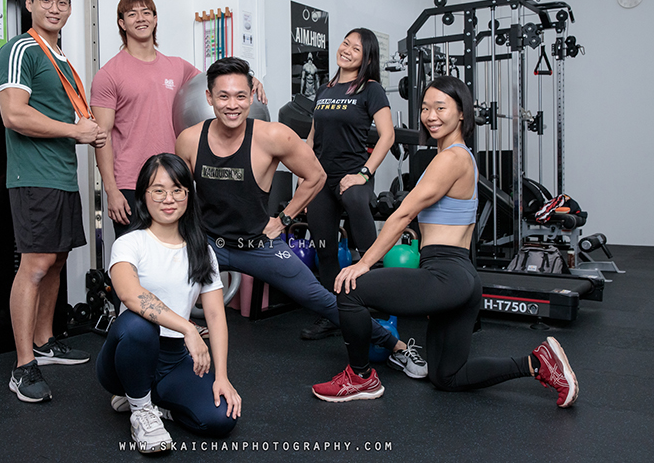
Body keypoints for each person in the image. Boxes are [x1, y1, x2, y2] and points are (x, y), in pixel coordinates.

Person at [312, 76, 578, 408]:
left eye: (441, 107)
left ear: (462, 113)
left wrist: (364, 263)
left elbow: (401, 215)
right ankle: (538, 363)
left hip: (445, 276)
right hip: (461, 278)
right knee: (447, 376)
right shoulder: (457, 156)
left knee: (349, 288)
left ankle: (359, 378)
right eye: (425, 108)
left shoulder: (450, 158)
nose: (430, 116)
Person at [176, 57, 426, 378]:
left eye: (240, 96)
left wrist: (283, 218)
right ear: (209, 97)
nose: (232, 105)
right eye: (223, 96)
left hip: (258, 245)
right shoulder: (189, 140)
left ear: (251, 97)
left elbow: (316, 176)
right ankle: (143, 377)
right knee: (159, 288)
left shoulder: (273, 136)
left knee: (323, 300)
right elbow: (179, 193)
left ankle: (398, 347)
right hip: (208, 243)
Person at [0, 0, 106, 403]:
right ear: (30, 4)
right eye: (46, 0)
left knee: (56, 261)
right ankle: (23, 367)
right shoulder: (21, 49)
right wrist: (73, 130)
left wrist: (86, 129)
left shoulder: (61, 60)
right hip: (33, 177)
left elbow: (68, 119)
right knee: (35, 265)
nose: (55, 9)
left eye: (62, 2)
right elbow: (14, 115)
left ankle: (44, 342)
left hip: (60, 177)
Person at [90, 0, 266, 239]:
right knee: (134, 262)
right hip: (131, 183)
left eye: (146, 12)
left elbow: (219, 83)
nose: (140, 19)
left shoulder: (178, 67)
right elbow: (102, 135)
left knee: (175, 257)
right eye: (132, 14)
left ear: (155, 19)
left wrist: (249, 79)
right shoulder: (108, 74)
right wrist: (111, 190)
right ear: (122, 23)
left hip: (175, 179)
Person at [96, 153, 240, 454]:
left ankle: (152, 404)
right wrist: (188, 328)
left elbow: (215, 315)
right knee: (139, 324)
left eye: (177, 190)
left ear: (188, 194)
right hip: (125, 354)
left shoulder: (202, 250)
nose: (168, 198)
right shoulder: (130, 243)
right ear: (143, 196)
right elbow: (129, 293)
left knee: (221, 419)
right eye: (158, 190)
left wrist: (223, 377)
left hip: (174, 360)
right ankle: (140, 408)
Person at [304, 28, 396, 350]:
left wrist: (364, 173)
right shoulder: (325, 89)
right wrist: (305, 175)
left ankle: (382, 306)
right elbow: (311, 139)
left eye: (355, 48)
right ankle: (333, 315)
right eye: (345, 43)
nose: (347, 50)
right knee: (325, 251)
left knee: (362, 224)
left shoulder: (371, 90)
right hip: (321, 177)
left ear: (366, 57)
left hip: (352, 175)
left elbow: (387, 135)